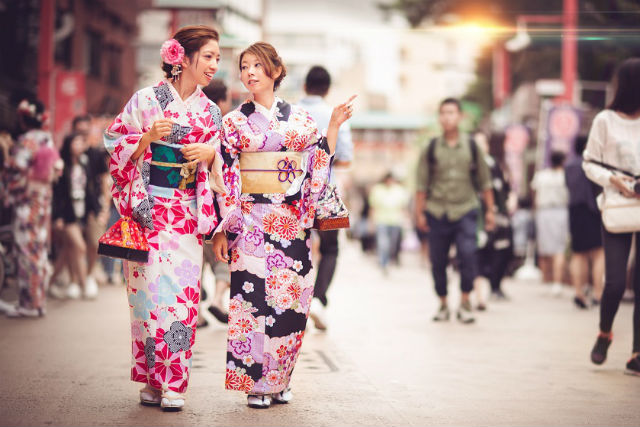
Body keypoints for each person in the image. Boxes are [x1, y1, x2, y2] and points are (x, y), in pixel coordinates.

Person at [211, 42, 354, 408]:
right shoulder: (232, 122)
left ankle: (281, 379)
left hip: (290, 223)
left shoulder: (302, 121)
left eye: (258, 65)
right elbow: (225, 175)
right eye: (244, 66)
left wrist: (334, 125)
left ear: (275, 70)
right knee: (251, 304)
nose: (250, 73)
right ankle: (256, 384)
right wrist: (227, 226)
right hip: (249, 223)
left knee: (292, 303)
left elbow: (317, 164)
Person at [103, 25, 223, 410]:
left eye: (217, 58)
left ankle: (174, 383)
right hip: (149, 214)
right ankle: (154, 381)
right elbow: (113, 142)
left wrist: (210, 157)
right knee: (146, 301)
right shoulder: (145, 100)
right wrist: (146, 139)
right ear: (183, 58)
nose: (214, 65)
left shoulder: (211, 112)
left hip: (186, 215)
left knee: (182, 299)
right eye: (208, 57)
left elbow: (225, 165)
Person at [583, 57, 640, 376]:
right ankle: (605, 332)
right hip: (618, 204)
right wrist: (613, 180)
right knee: (616, 282)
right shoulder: (606, 120)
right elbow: (589, 162)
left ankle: (637, 352)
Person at [415, 98, 494, 324]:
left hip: (466, 210)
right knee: (438, 261)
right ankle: (442, 303)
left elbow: (485, 181)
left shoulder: (471, 146)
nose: (447, 117)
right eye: (443, 113)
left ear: (460, 117)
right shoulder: (430, 148)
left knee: (468, 256)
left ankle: (465, 301)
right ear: (439, 118)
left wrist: (489, 211)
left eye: (451, 113)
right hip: (437, 212)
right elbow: (421, 185)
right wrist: (419, 213)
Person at [297, 65, 353, 330]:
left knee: (297, 247)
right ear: (327, 89)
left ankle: (296, 303)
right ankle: (318, 299)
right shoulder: (335, 115)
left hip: (292, 192)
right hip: (325, 196)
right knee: (331, 248)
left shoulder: (291, 112)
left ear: (305, 86)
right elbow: (345, 159)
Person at [4, 97, 61, 317]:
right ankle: (37, 302)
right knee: (38, 250)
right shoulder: (47, 139)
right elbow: (56, 170)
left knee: (26, 250)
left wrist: (10, 189)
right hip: (43, 201)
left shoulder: (27, 140)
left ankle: (29, 304)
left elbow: (16, 169)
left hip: (27, 201)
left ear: (22, 119)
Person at [198, 79, 233, 327]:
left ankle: (197, 313)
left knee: (197, 258)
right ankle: (219, 299)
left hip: (193, 203)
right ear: (221, 101)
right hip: (218, 203)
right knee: (224, 256)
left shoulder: (195, 121)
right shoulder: (224, 126)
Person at [50, 132, 96, 299]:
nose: (79, 146)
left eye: (81, 142)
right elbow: (58, 194)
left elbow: (89, 188)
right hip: (66, 214)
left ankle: (49, 283)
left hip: (81, 211)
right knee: (80, 246)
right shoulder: (62, 164)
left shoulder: (84, 162)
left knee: (66, 253)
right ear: (69, 145)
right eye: (76, 142)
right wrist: (58, 216)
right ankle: (84, 284)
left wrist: (93, 209)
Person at [474, 131, 513, 308]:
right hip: (479, 215)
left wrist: (509, 201)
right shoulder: (471, 165)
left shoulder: (494, 164)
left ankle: (496, 286)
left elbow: (504, 188)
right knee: (480, 252)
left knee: (502, 250)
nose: (481, 146)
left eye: (483, 142)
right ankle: (478, 294)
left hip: (500, 215)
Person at [565, 136, 604, 309]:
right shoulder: (592, 165)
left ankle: (578, 293)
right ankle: (598, 293)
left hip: (574, 211)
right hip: (592, 211)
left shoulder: (569, 165)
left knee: (578, 253)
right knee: (598, 253)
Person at [531, 151, 569, 296]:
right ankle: (557, 283)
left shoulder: (541, 175)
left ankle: (546, 281)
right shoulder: (564, 176)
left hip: (543, 212)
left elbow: (534, 194)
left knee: (544, 247)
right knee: (559, 248)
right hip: (561, 211)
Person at [369, 172, 409, 275]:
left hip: (396, 221)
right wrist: (371, 222)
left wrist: (406, 221)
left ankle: (388, 260)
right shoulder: (377, 189)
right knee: (383, 244)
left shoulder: (399, 190)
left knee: (392, 244)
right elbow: (373, 207)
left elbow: (403, 207)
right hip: (381, 220)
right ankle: (383, 263)